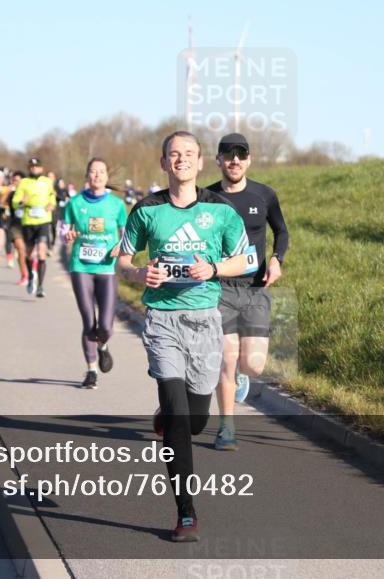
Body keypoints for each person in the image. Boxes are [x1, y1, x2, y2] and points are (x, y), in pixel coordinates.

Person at [117, 131, 248, 543]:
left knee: (195, 421)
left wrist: (212, 270)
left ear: (200, 162)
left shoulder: (220, 210)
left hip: (205, 320)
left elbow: (247, 258)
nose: (181, 160)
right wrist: (139, 273)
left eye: (188, 154)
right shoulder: (147, 209)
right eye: (174, 155)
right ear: (163, 163)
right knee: (176, 413)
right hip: (162, 321)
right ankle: (186, 512)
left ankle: (171, 416)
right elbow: (121, 260)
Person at [207, 133, 289, 451]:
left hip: (255, 289)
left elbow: (281, 230)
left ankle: (243, 375)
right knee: (226, 360)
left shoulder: (264, 195)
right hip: (219, 288)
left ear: (249, 160)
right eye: (229, 156)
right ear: (219, 160)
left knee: (253, 364)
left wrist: (277, 260)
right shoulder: (206, 198)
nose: (235, 161)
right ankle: (226, 428)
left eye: (241, 155)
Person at [61, 158, 127, 390]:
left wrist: (121, 246)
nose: (97, 175)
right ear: (86, 176)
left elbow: (126, 233)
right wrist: (66, 236)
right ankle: (91, 370)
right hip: (81, 267)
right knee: (89, 322)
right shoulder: (74, 203)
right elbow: (63, 228)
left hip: (107, 268)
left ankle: (103, 346)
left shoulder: (116, 205)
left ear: (107, 176)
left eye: (101, 171)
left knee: (106, 326)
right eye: (92, 171)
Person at [12, 157, 57, 296]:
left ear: (41, 168)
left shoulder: (47, 182)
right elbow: (14, 201)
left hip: (44, 220)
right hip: (28, 221)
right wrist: (21, 201)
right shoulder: (24, 182)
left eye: (37, 167)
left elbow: (52, 197)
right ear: (28, 169)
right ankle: (31, 278)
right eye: (31, 167)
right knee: (30, 254)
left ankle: (41, 287)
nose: (34, 169)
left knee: (42, 252)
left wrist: (52, 204)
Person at [3, 170, 27, 275]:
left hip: (28, 224)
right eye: (13, 181)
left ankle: (31, 272)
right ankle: (24, 275)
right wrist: (7, 190)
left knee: (29, 253)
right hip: (15, 225)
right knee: (20, 248)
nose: (15, 183)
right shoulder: (12, 193)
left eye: (17, 180)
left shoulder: (29, 193)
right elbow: (0, 202)